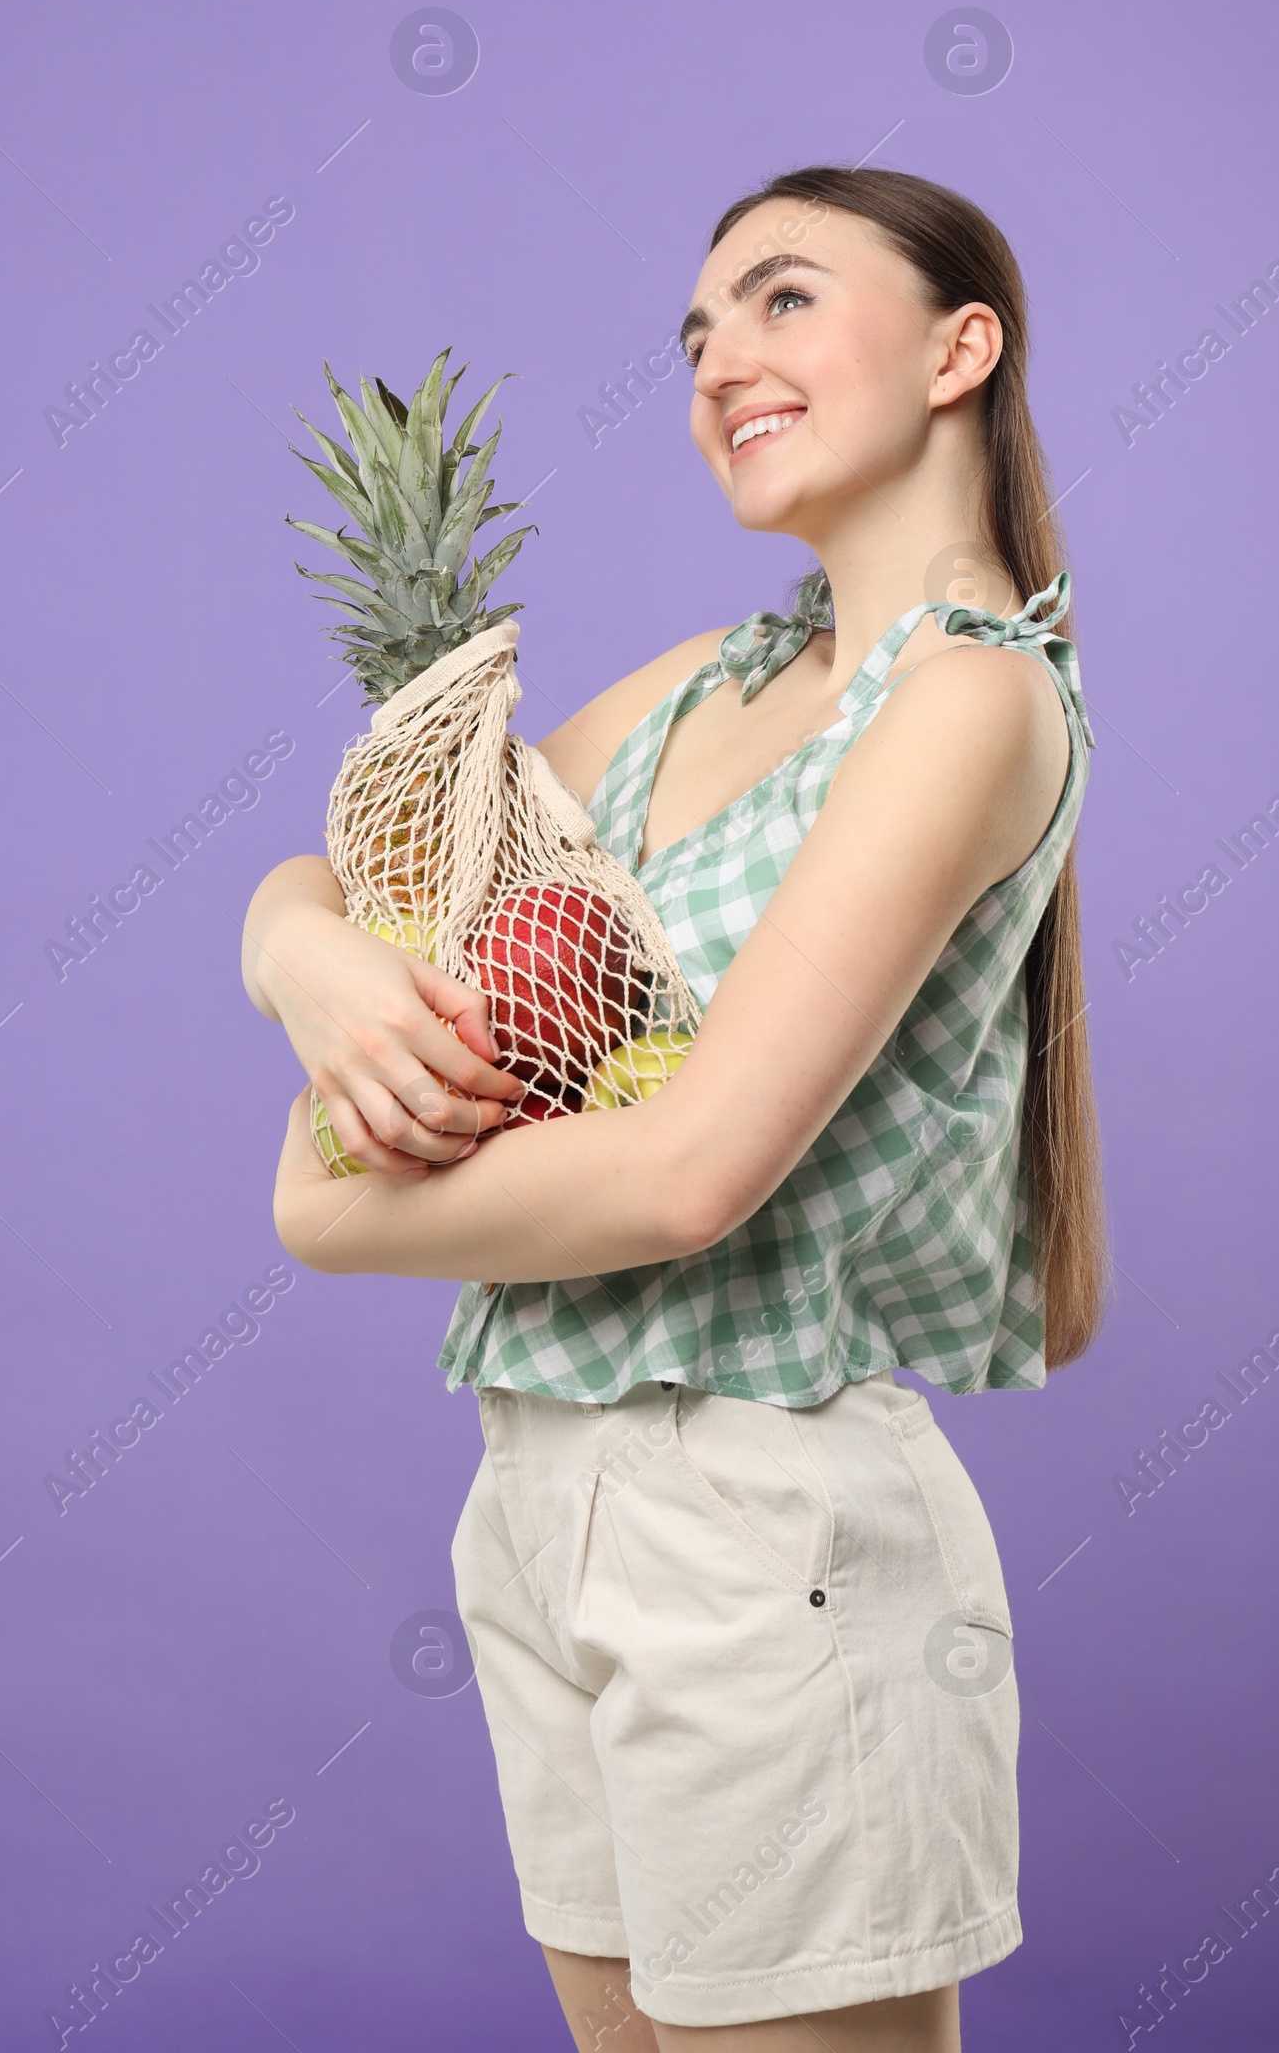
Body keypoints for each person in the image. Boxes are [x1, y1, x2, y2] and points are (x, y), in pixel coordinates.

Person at [246, 165, 1109, 2051]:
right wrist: (292, 954)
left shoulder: (964, 700)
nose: (722, 358)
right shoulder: (688, 691)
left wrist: (353, 1200)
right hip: (542, 1490)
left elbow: (691, 1171)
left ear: (964, 347)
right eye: (698, 330)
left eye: (784, 299)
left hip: (764, 1515)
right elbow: (357, 877)